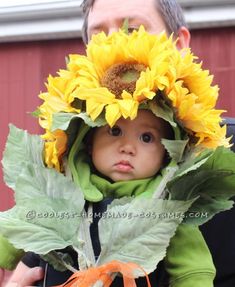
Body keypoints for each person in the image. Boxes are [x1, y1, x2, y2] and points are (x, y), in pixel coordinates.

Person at [3, 0, 234, 286]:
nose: (115, 46)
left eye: (134, 29)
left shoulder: (220, 160)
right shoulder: (67, 159)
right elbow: (31, 230)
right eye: (99, 36)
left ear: (179, 44)